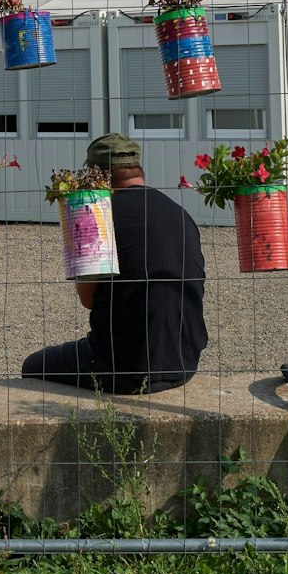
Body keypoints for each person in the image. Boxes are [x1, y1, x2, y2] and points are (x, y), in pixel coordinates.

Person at [22, 132, 207, 395]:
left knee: (32, 366)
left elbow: (87, 298)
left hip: (121, 368)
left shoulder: (95, 217)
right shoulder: (179, 213)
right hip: (183, 363)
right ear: (137, 168)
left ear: (95, 176)